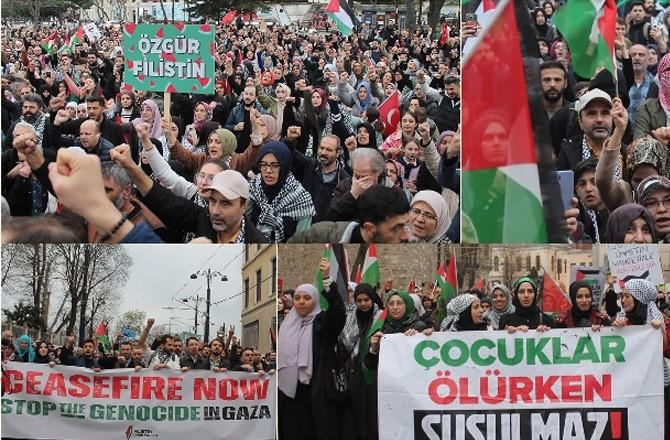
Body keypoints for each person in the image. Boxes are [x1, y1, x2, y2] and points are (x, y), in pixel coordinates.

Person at [278, 264, 346, 439]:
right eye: (298, 298)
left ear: (315, 300)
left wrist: (327, 282)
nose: (301, 301)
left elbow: (338, 312)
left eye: (307, 298)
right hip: (291, 395)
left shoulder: (322, 321)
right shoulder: (287, 325)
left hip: (318, 393)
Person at [612, 278, 669, 430]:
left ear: (639, 299)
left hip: (656, 387)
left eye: (627, 296)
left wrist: (660, 333)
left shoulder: (660, 321)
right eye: (621, 296)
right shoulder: (619, 321)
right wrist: (614, 330)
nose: (623, 300)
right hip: (628, 388)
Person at [289, 185, 410, 243]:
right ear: (369, 229)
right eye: (397, 228)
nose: (406, 236)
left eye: (406, 225)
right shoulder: (320, 236)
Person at [338, 283, 384, 439]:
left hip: (375, 374)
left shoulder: (381, 317)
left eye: (366, 300)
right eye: (359, 300)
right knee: (355, 415)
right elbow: (345, 343)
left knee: (372, 415)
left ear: (373, 299)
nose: (363, 304)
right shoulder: (350, 319)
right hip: (355, 373)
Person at [248, 141, 316, 242]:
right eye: (263, 165)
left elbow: (301, 242)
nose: (268, 170)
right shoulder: (254, 188)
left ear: (285, 166)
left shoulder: (301, 199)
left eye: (275, 165)